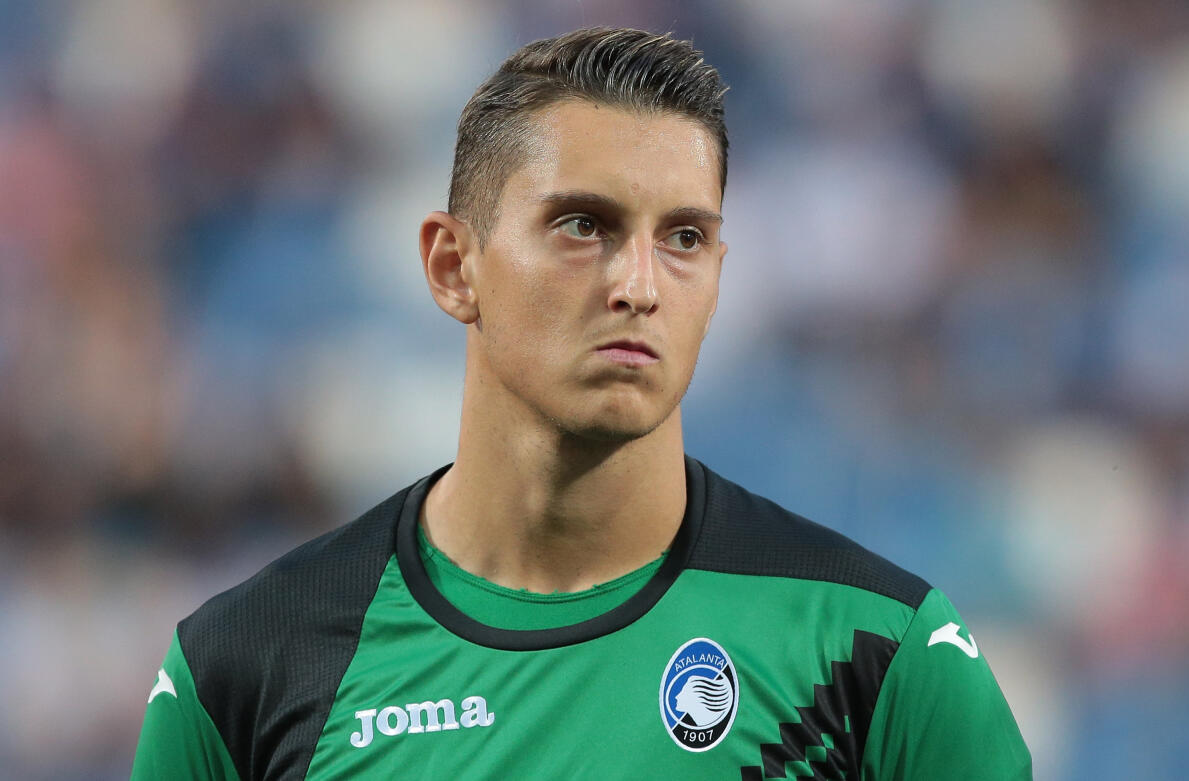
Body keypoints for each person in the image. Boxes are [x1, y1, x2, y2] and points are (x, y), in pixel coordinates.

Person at [131, 27, 1031, 780]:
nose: (639, 285)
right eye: (583, 226)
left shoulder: (877, 649)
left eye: (684, 237)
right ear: (454, 267)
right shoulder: (244, 667)